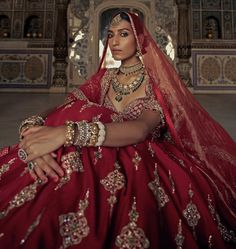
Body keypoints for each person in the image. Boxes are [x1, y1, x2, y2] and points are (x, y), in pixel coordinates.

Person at [0, 11, 235, 249]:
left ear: (141, 39)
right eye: (110, 35)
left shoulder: (157, 83)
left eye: (123, 34)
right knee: (78, 116)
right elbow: (62, 108)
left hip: (140, 159)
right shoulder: (105, 78)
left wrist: (65, 133)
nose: (114, 41)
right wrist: (31, 127)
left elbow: (141, 129)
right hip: (97, 155)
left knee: (85, 128)